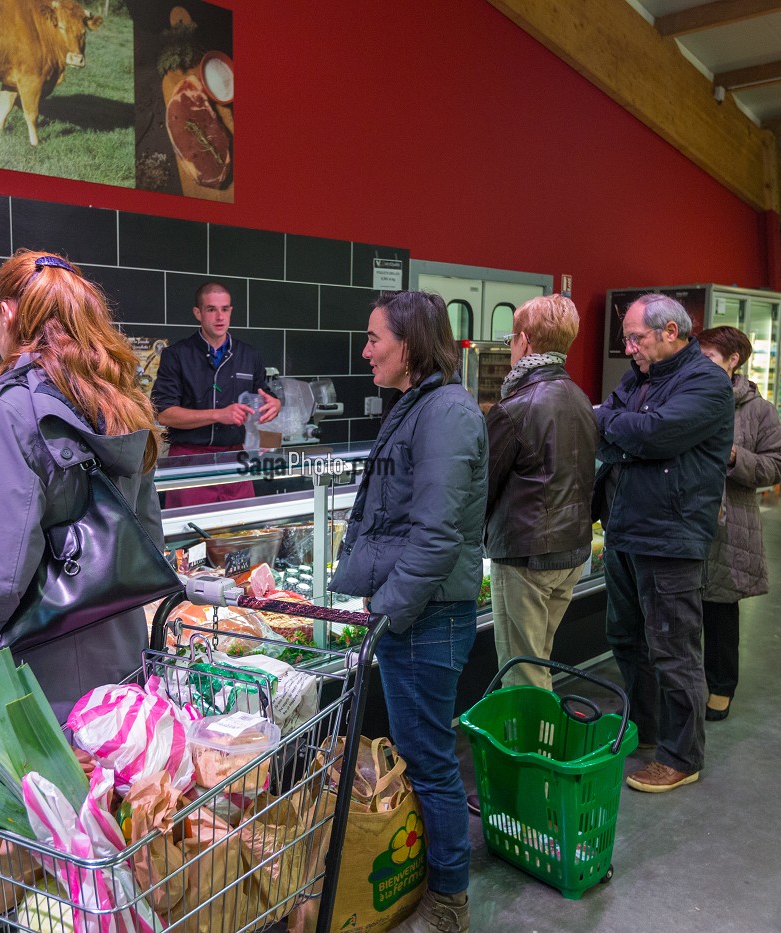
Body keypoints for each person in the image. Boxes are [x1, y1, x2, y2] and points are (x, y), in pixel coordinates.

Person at [0, 251, 163, 720]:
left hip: (46, 680)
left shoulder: (8, 406)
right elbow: (148, 536)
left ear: (8, 312)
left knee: (60, 795)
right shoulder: (123, 396)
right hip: (126, 659)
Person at [330, 291, 486, 933]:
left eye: (374, 339)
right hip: (409, 612)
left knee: (429, 760)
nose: (365, 351)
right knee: (422, 751)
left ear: (411, 345)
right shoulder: (420, 404)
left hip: (425, 618)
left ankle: (449, 897)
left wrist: (387, 611)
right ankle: (429, 873)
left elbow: (437, 536)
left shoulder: (445, 413)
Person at [593, 293, 733, 793]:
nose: (628, 348)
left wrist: (619, 426)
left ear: (671, 331)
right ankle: (647, 732)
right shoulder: (641, 377)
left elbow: (654, 435)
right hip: (626, 529)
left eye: (636, 337)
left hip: (671, 537)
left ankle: (681, 756)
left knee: (673, 649)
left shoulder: (707, 383)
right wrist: (620, 427)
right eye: (627, 338)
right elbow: (612, 429)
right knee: (625, 638)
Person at [483, 294, 596, 691]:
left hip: (526, 556)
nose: (510, 345)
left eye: (510, 337)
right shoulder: (580, 398)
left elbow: (483, 486)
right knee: (539, 660)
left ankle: (529, 752)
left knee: (522, 672)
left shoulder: (514, 407)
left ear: (525, 340)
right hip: (572, 551)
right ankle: (540, 740)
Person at [694, 326, 781, 722]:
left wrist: (734, 457)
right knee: (676, 610)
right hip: (680, 517)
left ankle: (720, 688)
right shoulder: (684, 396)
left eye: (709, 357)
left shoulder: (758, 410)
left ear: (733, 361)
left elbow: (777, 465)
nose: (699, 364)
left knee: (718, 609)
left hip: (729, 523)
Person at [150, 281, 280, 506]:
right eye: (211, 309)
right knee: (190, 535)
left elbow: (264, 397)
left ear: (231, 311)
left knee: (240, 531)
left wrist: (275, 405)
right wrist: (219, 415)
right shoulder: (177, 355)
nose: (220, 316)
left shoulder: (249, 356)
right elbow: (164, 414)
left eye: (225, 309)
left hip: (235, 458)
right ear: (197, 313)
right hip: (189, 459)